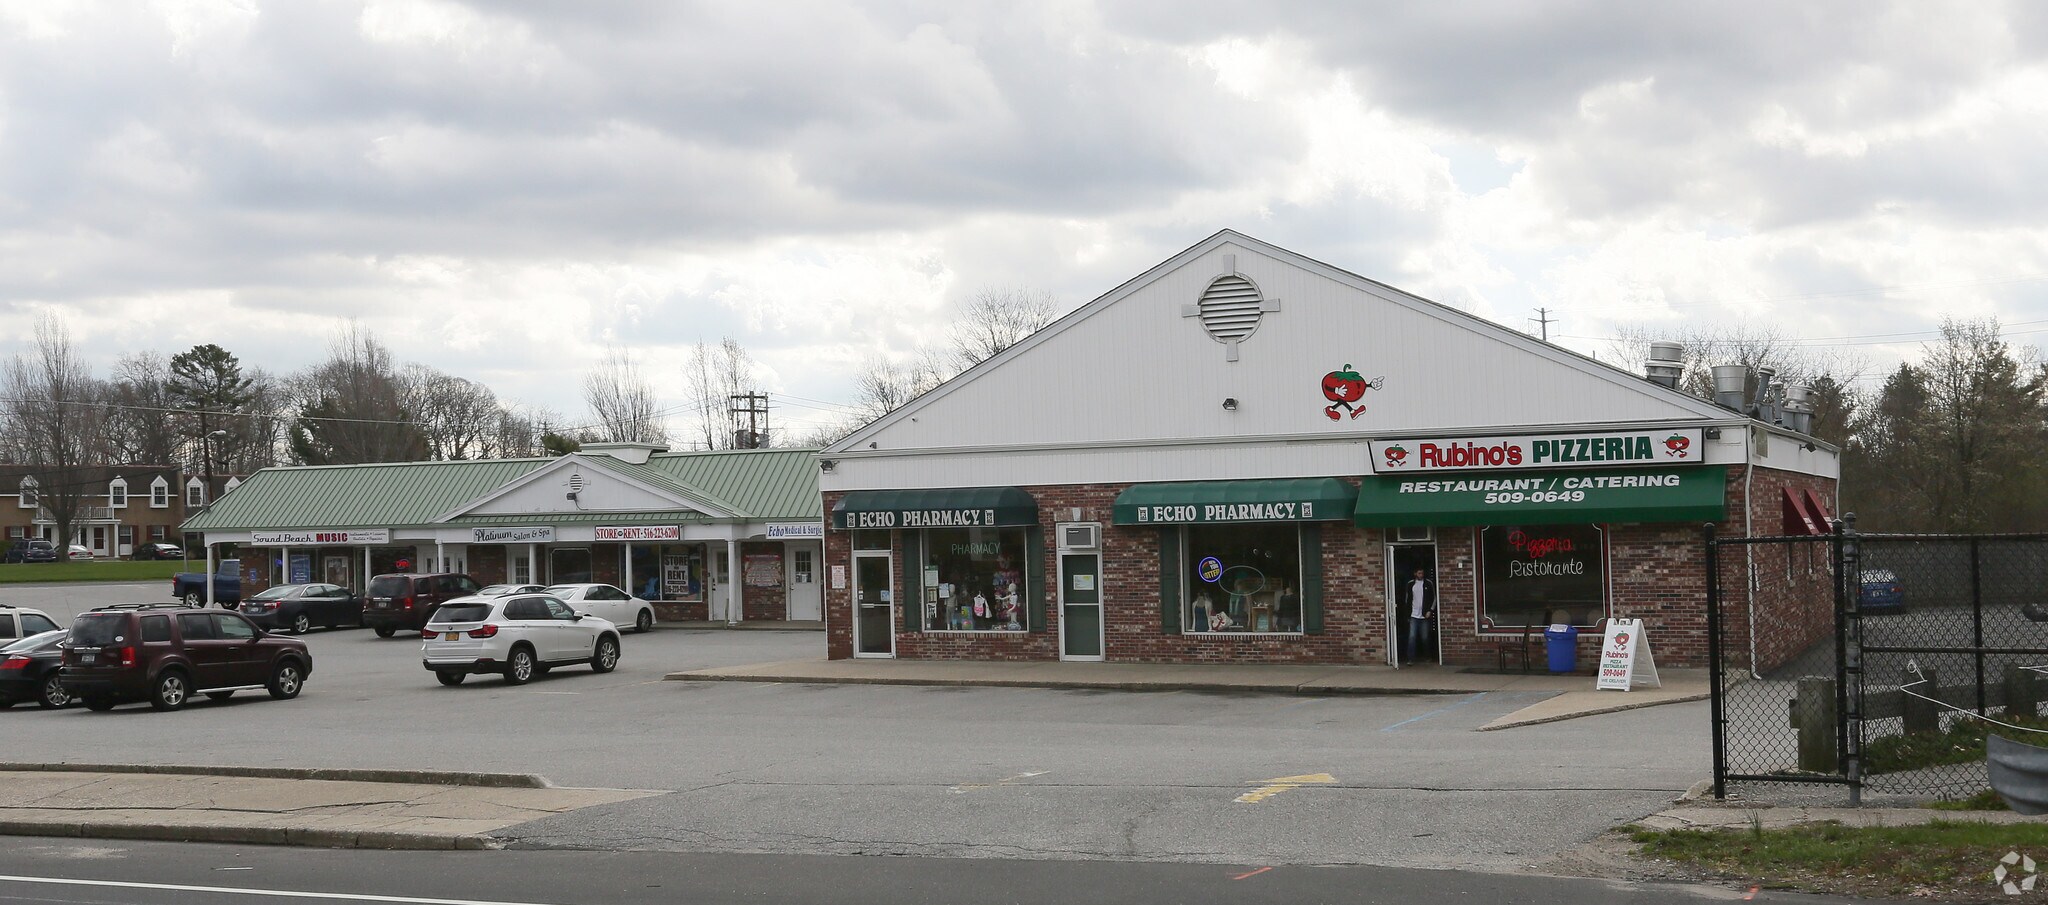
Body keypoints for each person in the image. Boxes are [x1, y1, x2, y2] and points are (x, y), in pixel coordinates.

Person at [1403, 567, 1435, 663]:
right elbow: (1407, 599)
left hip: (1424, 614)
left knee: (1425, 637)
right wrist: (1408, 614)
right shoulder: (1410, 584)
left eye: (1422, 573)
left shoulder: (1428, 583)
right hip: (1413, 614)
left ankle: (1427, 656)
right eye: (1419, 573)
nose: (1421, 575)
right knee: (1411, 637)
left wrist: (1430, 610)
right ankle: (1410, 658)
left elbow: (1434, 597)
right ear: (1415, 573)